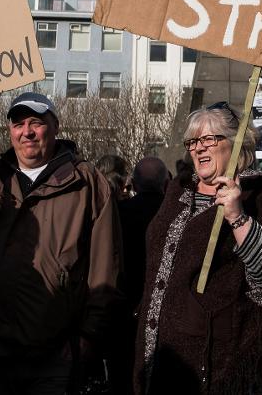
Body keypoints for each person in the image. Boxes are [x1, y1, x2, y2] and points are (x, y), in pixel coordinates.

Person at [0, 92, 122, 395]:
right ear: (9, 131)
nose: (27, 132)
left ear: (56, 126)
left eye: (36, 122)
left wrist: (88, 337)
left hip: (52, 357)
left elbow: (106, 268)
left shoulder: (87, 184)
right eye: (18, 124)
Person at [135, 103, 262, 394]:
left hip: (224, 358)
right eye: (192, 141)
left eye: (209, 139)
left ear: (237, 143)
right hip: (162, 354)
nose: (198, 148)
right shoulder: (179, 190)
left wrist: (238, 217)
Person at [110, 156, 168, 395]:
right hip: (163, 307)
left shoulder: (119, 214)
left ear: (133, 183)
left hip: (126, 305)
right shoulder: (174, 215)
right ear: (165, 183)